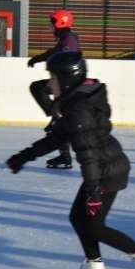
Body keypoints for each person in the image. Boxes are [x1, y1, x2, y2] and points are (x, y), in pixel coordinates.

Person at [6, 51, 135, 269]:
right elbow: (58, 137)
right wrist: (24, 156)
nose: (49, 84)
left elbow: (87, 154)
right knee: (79, 219)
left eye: (52, 78)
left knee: (93, 226)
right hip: (105, 168)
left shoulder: (79, 111)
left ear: (66, 80)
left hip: (105, 172)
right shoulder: (76, 103)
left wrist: (94, 189)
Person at [27, 9, 80, 169]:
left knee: (38, 88)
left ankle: (54, 115)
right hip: (64, 83)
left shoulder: (69, 39)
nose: (50, 26)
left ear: (60, 23)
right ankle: (64, 157)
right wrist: (38, 58)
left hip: (68, 85)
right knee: (57, 125)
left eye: (52, 23)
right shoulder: (66, 38)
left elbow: (63, 55)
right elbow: (54, 52)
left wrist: (42, 59)